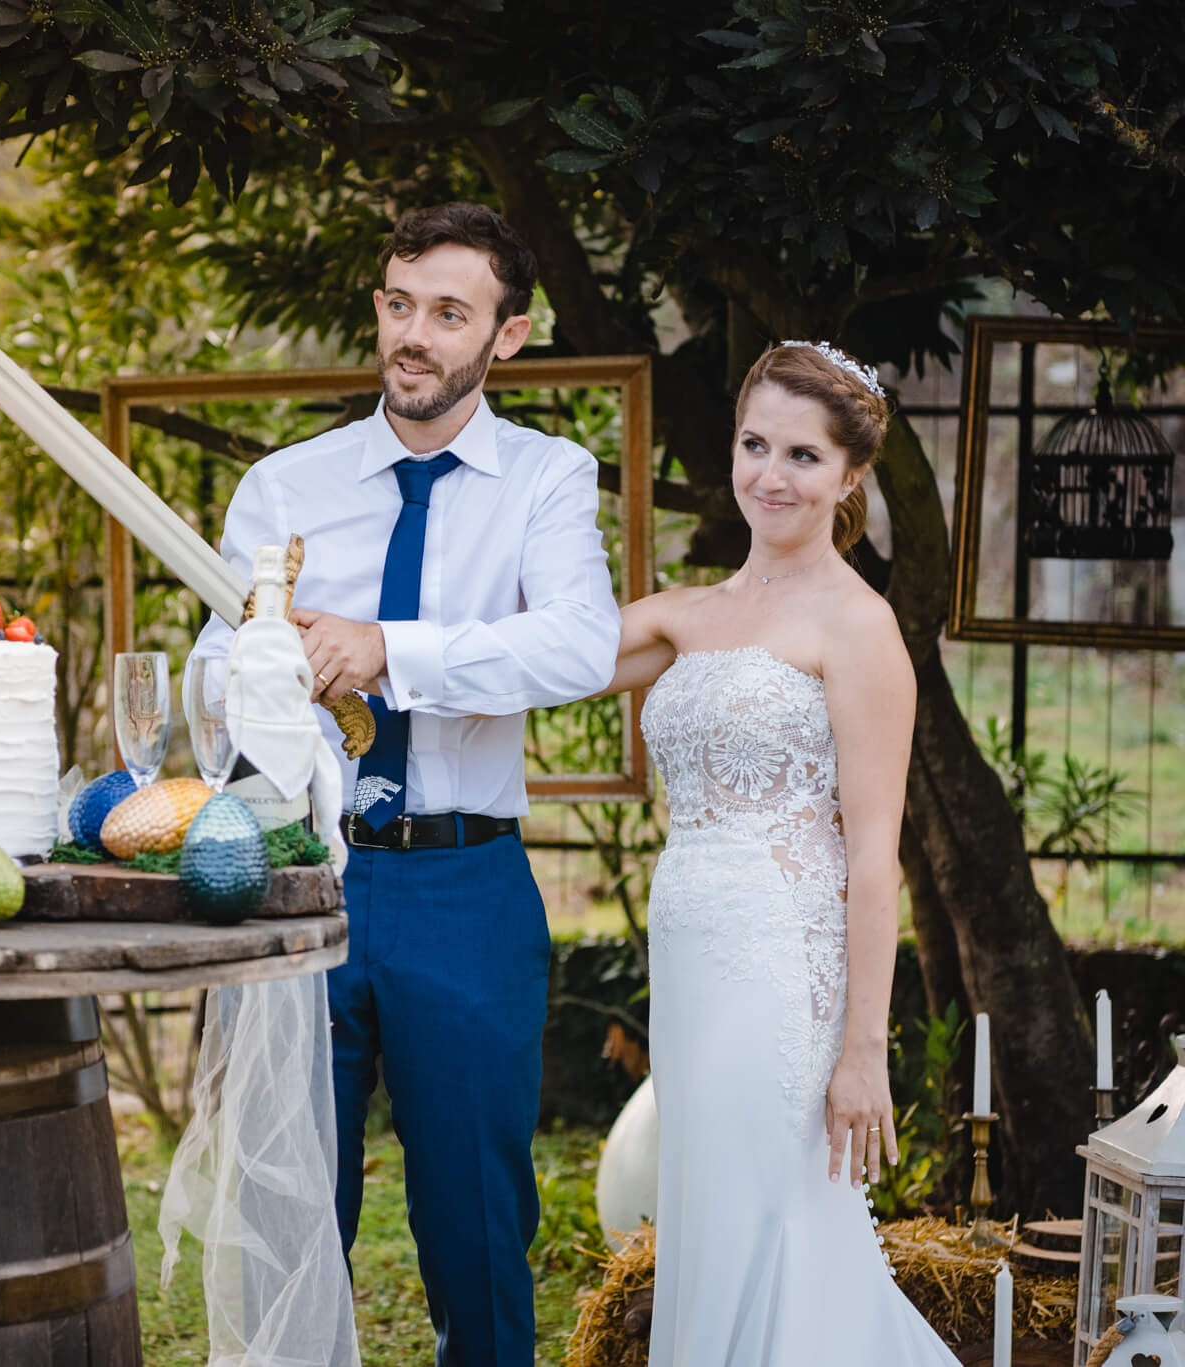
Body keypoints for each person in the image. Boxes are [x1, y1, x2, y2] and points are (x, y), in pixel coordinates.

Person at [190, 202, 621, 1366]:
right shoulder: (286, 484)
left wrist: (391, 647)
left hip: (463, 883)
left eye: (447, 312)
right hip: (301, 880)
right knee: (287, 1206)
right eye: (397, 306)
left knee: (477, 1219)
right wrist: (270, 666)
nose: (413, 336)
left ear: (508, 334)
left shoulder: (546, 476)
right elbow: (213, 667)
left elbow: (580, 646)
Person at [606, 341, 959, 1364]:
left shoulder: (857, 628)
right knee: (710, 1210)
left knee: (781, 1219)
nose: (768, 473)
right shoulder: (686, 614)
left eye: (801, 455)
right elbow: (521, 663)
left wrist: (861, 1050)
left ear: (850, 476)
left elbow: (871, 858)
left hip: (777, 972)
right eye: (753, 443)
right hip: (688, 963)